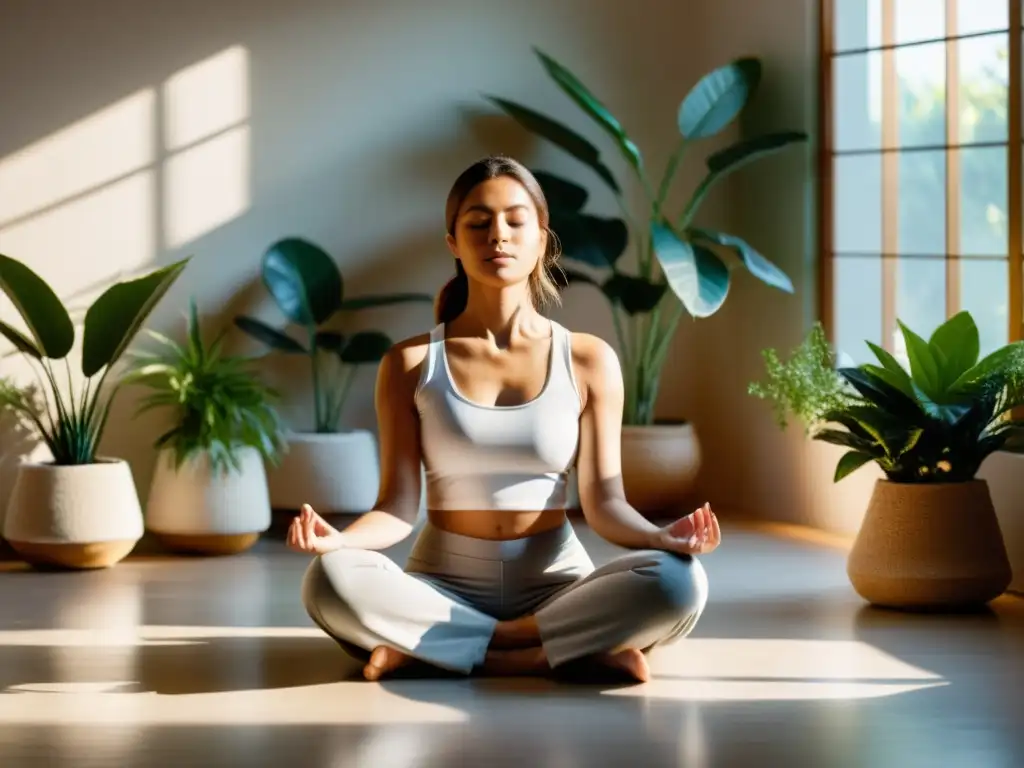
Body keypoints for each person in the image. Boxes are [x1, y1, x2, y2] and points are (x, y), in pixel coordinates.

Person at [288, 154, 719, 683]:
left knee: (681, 583)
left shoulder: (589, 359)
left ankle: (452, 647)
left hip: (556, 583)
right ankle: (555, 651)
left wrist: (661, 539)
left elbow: (606, 505)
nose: (499, 235)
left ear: (541, 238)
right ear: (453, 242)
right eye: (479, 222)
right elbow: (398, 508)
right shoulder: (410, 363)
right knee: (328, 578)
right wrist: (340, 541)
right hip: (442, 583)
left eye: (516, 221)